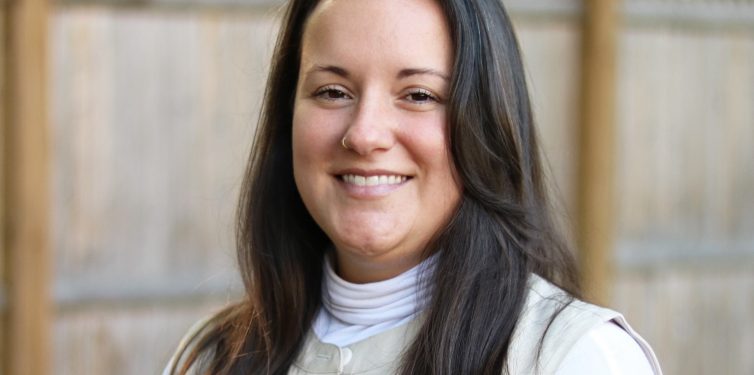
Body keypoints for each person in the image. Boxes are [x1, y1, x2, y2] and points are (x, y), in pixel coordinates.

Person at [165, 0, 663, 374]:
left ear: (485, 124)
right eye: (332, 91)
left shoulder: (570, 358)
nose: (364, 133)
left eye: (419, 95)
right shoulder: (215, 356)